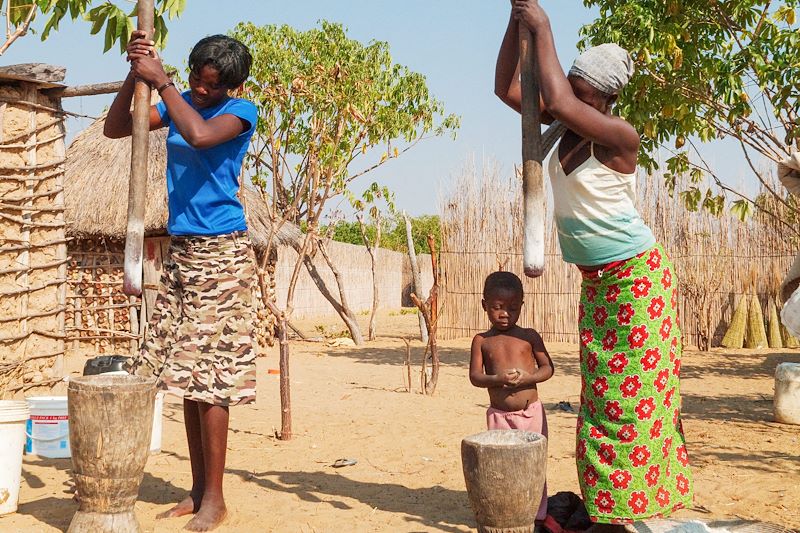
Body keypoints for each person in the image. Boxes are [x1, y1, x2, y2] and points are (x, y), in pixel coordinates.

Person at [495, 1, 694, 530]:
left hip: (637, 284)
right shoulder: (560, 130)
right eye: (571, 87)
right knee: (603, 402)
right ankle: (610, 510)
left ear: (604, 98)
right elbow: (508, 89)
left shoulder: (619, 137)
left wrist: (543, 26)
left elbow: (554, 94)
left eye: (583, 92)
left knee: (634, 407)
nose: (569, 100)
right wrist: (516, 23)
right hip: (601, 286)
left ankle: (627, 512)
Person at [104, 31, 258, 532]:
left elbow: (200, 136)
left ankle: (215, 498)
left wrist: (165, 82)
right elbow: (115, 129)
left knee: (212, 376)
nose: (201, 89)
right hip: (183, 252)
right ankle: (197, 492)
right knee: (188, 373)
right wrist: (136, 72)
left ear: (232, 87)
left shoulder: (240, 115)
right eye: (195, 78)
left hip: (222, 255)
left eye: (211, 85)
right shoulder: (178, 102)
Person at [470, 271, 555, 523]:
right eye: (497, 307)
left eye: (513, 308)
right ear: (484, 305)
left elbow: (548, 368)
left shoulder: (528, 336)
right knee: (501, 468)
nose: (505, 313)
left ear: (522, 306)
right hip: (499, 416)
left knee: (533, 466)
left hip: (532, 414)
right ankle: (507, 515)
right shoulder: (482, 341)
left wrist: (528, 378)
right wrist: (497, 380)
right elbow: (475, 377)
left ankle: (536, 517)